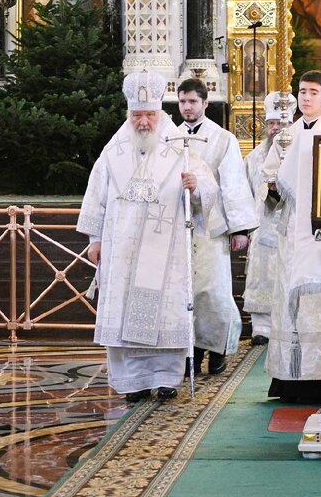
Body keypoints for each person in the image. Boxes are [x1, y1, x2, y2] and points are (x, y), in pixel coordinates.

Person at [78, 72, 218, 403]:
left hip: (164, 248)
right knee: (125, 318)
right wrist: (94, 239)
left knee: (164, 316)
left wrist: (195, 187)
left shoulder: (179, 146)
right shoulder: (115, 149)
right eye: (137, 115)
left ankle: (167, 379)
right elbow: (97, 194)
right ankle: (132, 382)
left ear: (159, 113)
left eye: (149, 115)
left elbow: (208, 187)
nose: (143, 122)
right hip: (122, 249)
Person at [261, 71, 321, 403]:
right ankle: (290, 378)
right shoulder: (286, 136)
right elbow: (267, 180)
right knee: (290, 296)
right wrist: (273, 188)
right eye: (302, 92)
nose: (307, 98)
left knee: (320, 299)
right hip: (292, 229)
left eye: (314, 92)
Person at [176, 78, 258, 376]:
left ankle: (219, 349)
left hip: (212, 227)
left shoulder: (223, 139)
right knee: (187, 294)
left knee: (214, 292)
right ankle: (191, 354)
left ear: (205, 104)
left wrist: (240, 229)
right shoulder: (170, 138)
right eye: (183, 102)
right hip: (179, 229)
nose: (187, 107)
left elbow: (234, 185)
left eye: (193, 102)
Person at [243, 91, 295, 346]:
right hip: (263, 227)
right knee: (262, 276)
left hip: (292, 228)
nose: (275, 128)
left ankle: (290, 324)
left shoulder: (301, 151)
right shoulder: (254, 158)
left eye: (281, 123)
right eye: (271, 123)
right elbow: (244, 193)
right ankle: (261, 327)